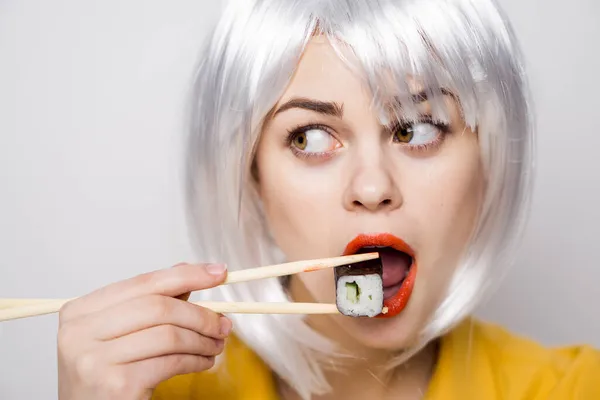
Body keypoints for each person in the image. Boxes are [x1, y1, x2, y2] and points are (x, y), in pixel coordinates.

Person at [56, 0, 600, 399]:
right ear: (252, 177)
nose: (371, 188)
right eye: (311, 138)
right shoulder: (160, 392)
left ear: (486, 157)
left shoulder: (576, 389)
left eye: (417, 129)